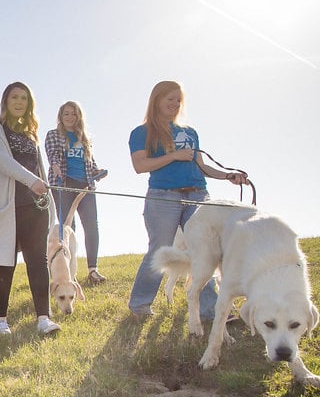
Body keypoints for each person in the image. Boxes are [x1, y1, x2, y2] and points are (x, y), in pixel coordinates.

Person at [127, 80, 249, 318]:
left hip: (198, 195)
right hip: (163, 197)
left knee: (206, 249)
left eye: (178, 100)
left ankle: (210, 310)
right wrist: (173, 156)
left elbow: (201, 166)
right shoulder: (141, 132)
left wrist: (228, 176)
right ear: (156, 100)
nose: (174, 103)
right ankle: (140, 305)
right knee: (159, 249)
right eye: (169, 98)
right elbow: (140, 165)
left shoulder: (190, 132)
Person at [0, 82, 60, 336]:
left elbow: (40, 172)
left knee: (38, 261)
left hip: (35, 207)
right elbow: (2, 161)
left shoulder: (31, 135)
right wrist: (32, 182)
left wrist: (49, 203)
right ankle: (0, 320)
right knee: (5, 260)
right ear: (5, 100)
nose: (19, 102)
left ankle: (44, 318)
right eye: (14, 97)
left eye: (24, 98)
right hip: (7, 207)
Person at [45, 101, 107, 285]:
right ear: (61, 117)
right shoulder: (54, 135)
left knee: (91, 225)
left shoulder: (84, 138)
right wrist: (55, 166)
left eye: (74, 114)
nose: (70, 117)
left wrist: (98, 172)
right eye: (66, 114)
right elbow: (52, 154)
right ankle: (67, 270)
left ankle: (93, 270)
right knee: (68, 228)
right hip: (64, 183)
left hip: (85, 185)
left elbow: (90, 163)